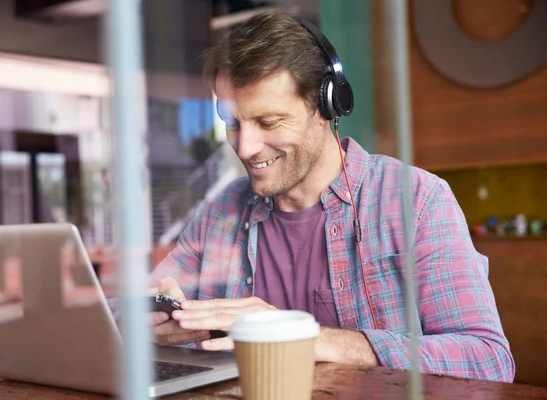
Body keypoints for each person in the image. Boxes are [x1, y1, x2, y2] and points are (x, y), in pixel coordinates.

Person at [147, 11, 515, 382]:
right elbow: (120, 311)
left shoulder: (417, 200)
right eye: (232, 123)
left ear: (327, 107)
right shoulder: (219, 213)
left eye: (269, 123)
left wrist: (311, 341)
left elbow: (487, 359)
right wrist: (151, 320)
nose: (245, 147)